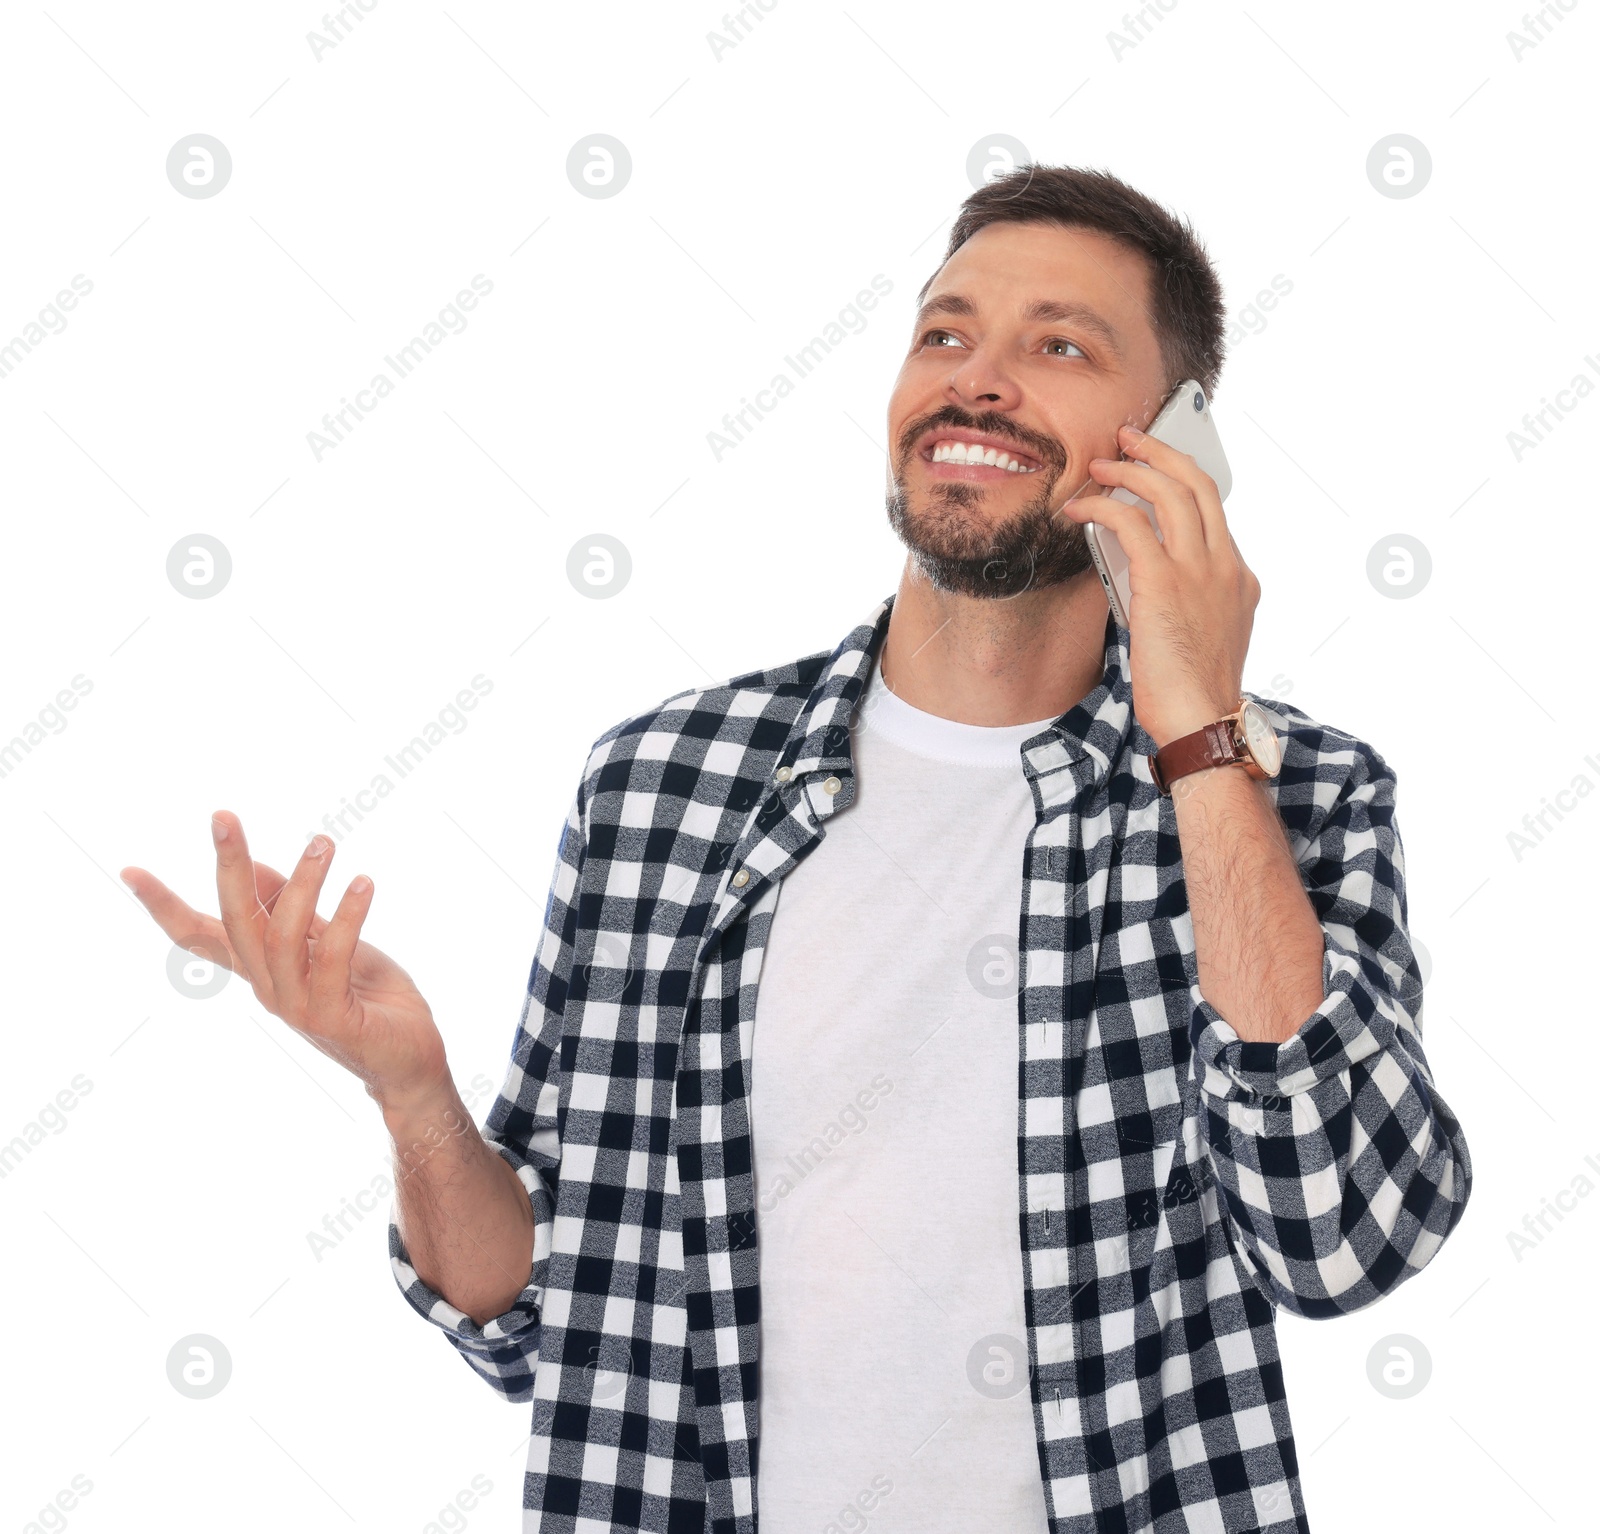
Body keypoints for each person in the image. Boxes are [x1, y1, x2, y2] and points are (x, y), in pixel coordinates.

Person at [122, 164, 1471, 1533]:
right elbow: (537, 1322)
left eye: (1058, 345)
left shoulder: (1290, 794)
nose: (978, 380)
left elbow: (1340, 1240)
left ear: (1174, 440)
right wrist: (414, 1097)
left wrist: (1196, 726)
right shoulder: (663, 785)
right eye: (945, 334)